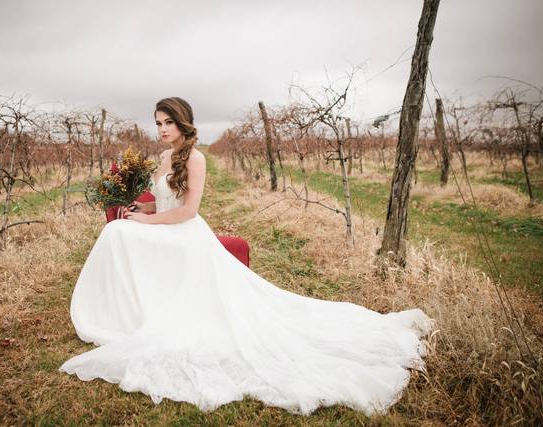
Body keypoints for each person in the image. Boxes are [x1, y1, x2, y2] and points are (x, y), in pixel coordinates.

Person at [59, 97, 433, 416]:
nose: (161, 129)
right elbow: (160, 199)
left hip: (185, 233)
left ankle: (120, 313)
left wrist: (147, 222)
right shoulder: (163, 155)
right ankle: (124, 312)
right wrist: (135, 208)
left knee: (121, 232)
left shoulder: (197, 159)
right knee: (118, 229)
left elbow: (187, 211)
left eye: (168, 122)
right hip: (165, 227)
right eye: (157, 123)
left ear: (183, 122)